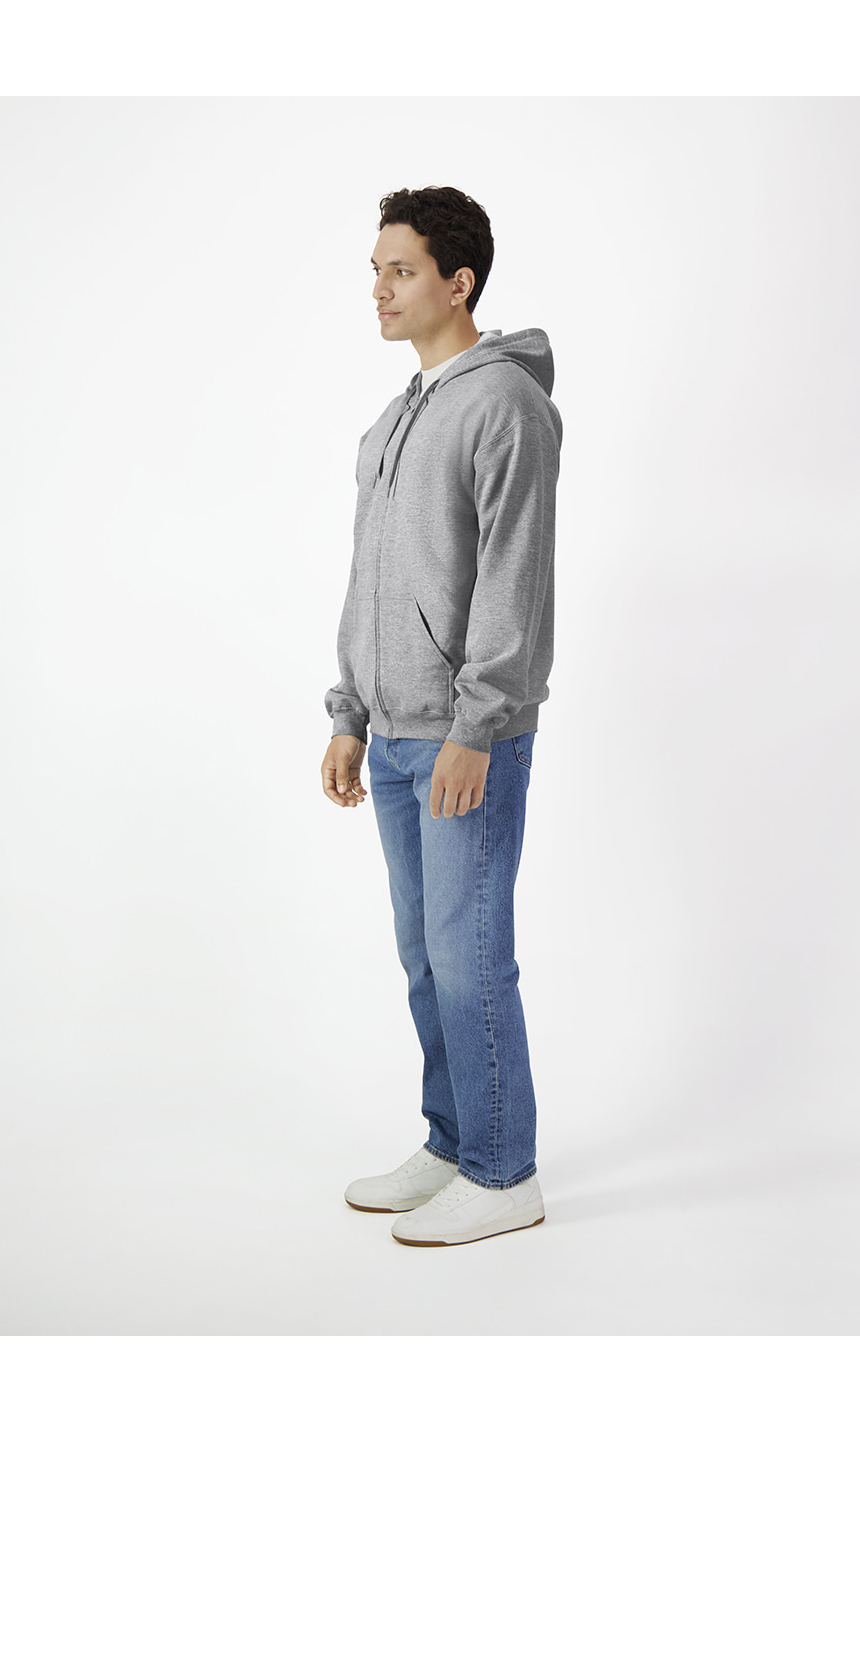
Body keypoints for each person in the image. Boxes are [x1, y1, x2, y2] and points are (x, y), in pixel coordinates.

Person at [320, 185, 563, 1247]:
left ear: (458, 283)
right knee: (424, 953)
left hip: (469, 738)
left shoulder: (503, 404)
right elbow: (366, 576)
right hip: (393, 733)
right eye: (375, 270)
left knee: (470, 956)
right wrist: (348, 711)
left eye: (401, 270)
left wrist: (478, 726)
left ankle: (505, 1173)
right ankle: (454, 1140)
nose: (379, 289)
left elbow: (514, 577)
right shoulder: (392, 421)